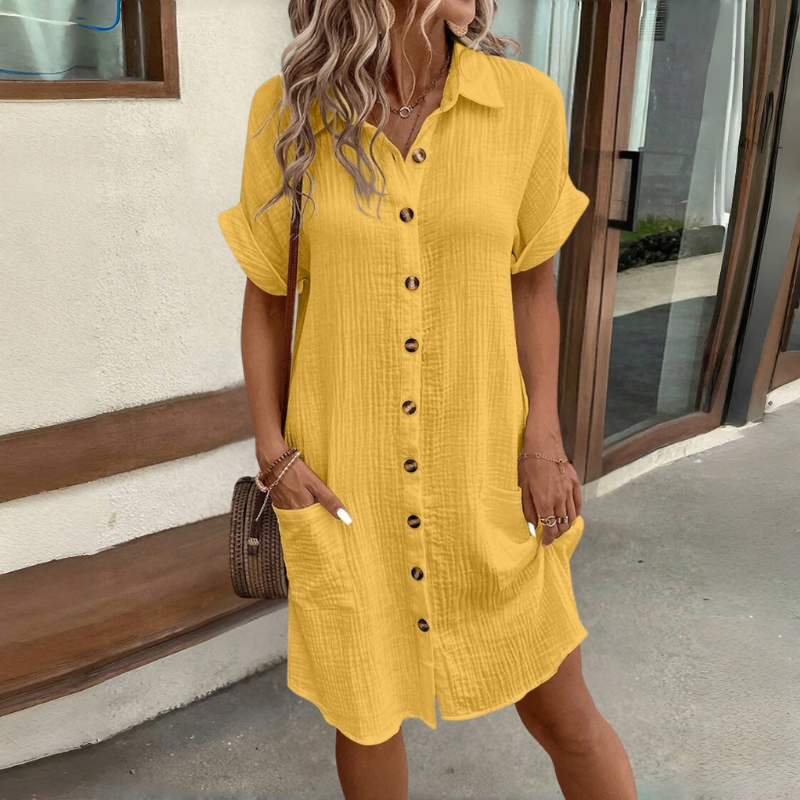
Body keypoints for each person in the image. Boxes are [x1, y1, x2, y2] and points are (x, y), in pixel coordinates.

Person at [218, 1, 637, 798]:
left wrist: (545, 442)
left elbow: (532, 286)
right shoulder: (293, 112)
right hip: (348, 484)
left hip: (486, 474)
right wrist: (273, 453)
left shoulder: (524, 104)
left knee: (563, 712)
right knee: (365, 714)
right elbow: (269, 298)